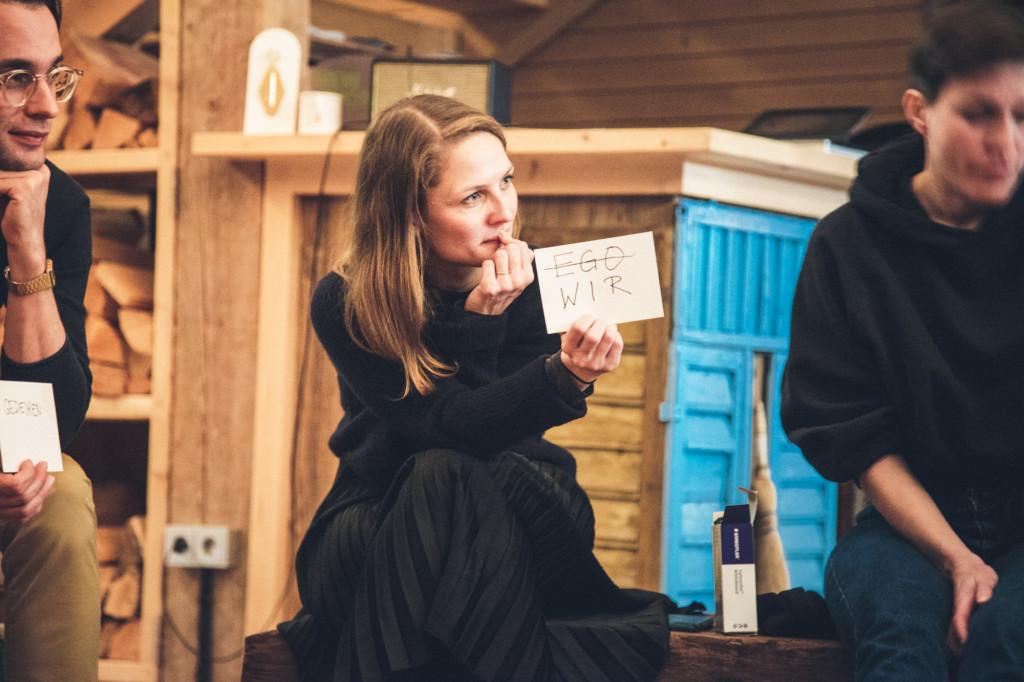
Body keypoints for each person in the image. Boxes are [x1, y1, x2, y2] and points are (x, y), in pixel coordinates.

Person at [278, 94, 673, 681]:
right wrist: (485, 329)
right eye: (473, 197)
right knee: (438, 471)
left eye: (506, 182)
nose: (503, 212)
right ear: (410, 213)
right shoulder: (348, 299)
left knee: (447, 476)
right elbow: (444, 427)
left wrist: (570, 375)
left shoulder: (543, 283)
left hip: (520, 493)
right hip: (378, 510)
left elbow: (491, 446)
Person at [781, 2, 1024, 679]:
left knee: (1005, 638)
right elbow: (856, 438)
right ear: (920, 112)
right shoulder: (847, 246)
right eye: (979, 114)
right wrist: (956, 558)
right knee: (900, 635)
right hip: (903, 528)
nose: (1005, 142)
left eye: (1022, 116)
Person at [0, 0, 98, 680]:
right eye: (15, 78)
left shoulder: (56, 203)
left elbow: (50, 426)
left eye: (54, 76)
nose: (45, 106)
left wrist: (29, 254)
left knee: (58, 498)